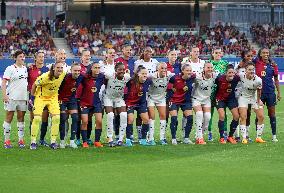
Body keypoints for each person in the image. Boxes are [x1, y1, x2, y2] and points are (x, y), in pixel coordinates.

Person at [30, 62, 66, 149]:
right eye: (58, 68)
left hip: (53, 98)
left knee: (57, 118)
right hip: (41, 97)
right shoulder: (45, 76)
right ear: (53, 68)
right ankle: (33, 142)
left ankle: (53, 142)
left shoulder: (63, 74)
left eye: (61, 67)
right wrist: (32, 98)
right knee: (37, 118)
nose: (60, 69)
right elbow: (34, 85)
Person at [2, 50, 28, 148]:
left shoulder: (25, 68)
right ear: (16, 58)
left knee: (21, 118)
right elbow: (4, 82)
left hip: (23, 97)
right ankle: (7, 140)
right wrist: (4, 95)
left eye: (23, 56)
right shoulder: (10, 68)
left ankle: (21, 140)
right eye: (20, 56)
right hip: (12, 97)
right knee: (9, 117)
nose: (22, 58)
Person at [254, 48, 281, 142]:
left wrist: (279, 93)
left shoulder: (273, 65)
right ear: (260, 54)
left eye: (267, 53)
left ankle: (274, 135)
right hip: (258, 93)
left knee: (272, 114)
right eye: (264, 53)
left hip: (270, 93)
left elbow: (276, 80)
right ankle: (258, 136)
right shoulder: (256, 62)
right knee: (259, 115)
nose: (266, 54)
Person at [133, 46, 159, 141]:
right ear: (143, 52)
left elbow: (157, 74)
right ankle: (140, 133)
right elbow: (135, 76)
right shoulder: (137, 63)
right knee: (140, 114)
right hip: (140, 90)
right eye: (146, 51)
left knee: (147, 113)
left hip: (152, 91)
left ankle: (146, 134)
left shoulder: (155, 62)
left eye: (150, 51)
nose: (148, 52)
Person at [124, 65, 152, 146]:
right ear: (138, 74)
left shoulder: (148, 81)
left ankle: (143, 140)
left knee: (146, 120)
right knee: (130, 120)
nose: (145, 75)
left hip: (141, 103)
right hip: (130, 103)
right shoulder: (131, 81)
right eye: (143, 73)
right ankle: (128, 139)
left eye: (146, 73)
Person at [79, 62, 105, 148]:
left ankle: (97, 141)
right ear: (91, 69)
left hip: (96, 103)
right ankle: (85, 141)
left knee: (99, 121)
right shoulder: (84, 77)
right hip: (85, 102)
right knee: (85, 121)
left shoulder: (102, 77)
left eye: (98, 67)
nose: (97, 69)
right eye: (95, 68)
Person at [104, 62, 130, 147]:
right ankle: (110, 138)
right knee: (110, 115)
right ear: (115, 70)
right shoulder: (109, 76)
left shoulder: (126, 77)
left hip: (119, 98)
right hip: (108, 98)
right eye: (119, 69)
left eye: (123, 69)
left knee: (124, 115)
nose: (122, 71)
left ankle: (120, 140)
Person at [168, 64, 196, 145]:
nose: (189, 72)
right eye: (187, 70)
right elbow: (168, 86)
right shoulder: (174, 78)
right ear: (182, 71)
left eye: (190, 70)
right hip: (174, 100)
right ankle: (173, 138)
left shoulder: (193, 77)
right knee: (174, 118)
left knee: (190, 118)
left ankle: (186, 138)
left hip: (185, 101)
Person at [238, 62, 265, 144]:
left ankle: (258, 137)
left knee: (261, 116)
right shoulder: (240, 76)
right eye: (249, 69)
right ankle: (244, 138)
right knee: (243, 116)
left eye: (253, 69)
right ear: (245, 70)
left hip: (254, 97)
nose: (252, 71)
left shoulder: (258, 80)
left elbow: (259, 91)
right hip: (243, 97)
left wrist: (259, 100)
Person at [27, 50, 49, 146]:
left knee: (44, 119)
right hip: (32, 97)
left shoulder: (47, 70)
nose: (41, 58)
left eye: (43, 56)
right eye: (39, 56)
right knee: (33, 119)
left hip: (44, 97)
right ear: (35, 58)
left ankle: (42, 139)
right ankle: (33, 139)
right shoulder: (30, 69)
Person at [148, 62, 174, 145]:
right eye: (162, 68)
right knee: (152, 117)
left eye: (165, 68)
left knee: (163, 116)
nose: (164, 70)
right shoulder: (151, 76)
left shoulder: (169, 75)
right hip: (151, 98)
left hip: (161, 98)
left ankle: (162, 138)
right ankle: (150, 138)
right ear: (157, 69)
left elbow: (178, 77)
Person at [58, 63, 83, 148]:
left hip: (72, 100)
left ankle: (72, 141)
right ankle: (62, 141)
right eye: (75, 70)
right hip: (61, 100)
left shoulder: (81, 77)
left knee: (75, 118)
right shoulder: (64, 78)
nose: (77, 72)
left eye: (79, 70)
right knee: (63, 118)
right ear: (71, 70)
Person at [215, 64, 240, 144]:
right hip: (220, 98)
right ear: (225, 73)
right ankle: (222, 137)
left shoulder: (236, 78)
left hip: (231, 99)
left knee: (236, 116)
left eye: (233, 72)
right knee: (222, 116)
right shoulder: (219, 79)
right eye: (229, 73)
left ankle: (230, 136)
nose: (231, 74)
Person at [192, 62, 217, 144]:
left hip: (206, 99)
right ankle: (200, 138)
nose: (210, 69)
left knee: (207, 117)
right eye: (208, 68)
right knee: (199, 114)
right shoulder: (197, 77)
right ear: (204, 69)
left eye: (211, 68)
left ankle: (199, 134)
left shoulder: (215, 75)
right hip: (196, 98)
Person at [208, 47, 229, 141]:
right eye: (216, 53)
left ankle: (225, 132)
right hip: (210, 92)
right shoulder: (208, 64)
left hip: (221, 93)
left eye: (219, 53)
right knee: (209, 114)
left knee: (223, 114)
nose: (218, 54)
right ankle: (209, 132)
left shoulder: (225, 64)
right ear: (212, 54)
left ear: (221, 54)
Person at [234, 49, 254, 142]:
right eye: (248, 56)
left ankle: (246, 135)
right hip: (238, 94)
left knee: (248, 114)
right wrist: (238, 67)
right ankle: (237, 135)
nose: (250, 58)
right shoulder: (239, 67)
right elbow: (232, 76)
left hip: (249, 94)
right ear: (243, 56)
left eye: (251, 56)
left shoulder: (252, 67)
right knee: (238, 114)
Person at [75, 49, 92, 146]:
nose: (87, 57)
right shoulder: (78, 67)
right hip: (77, 96)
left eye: (89, 55)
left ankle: (88, 138)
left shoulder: (92, 67)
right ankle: (77, 138)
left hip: (88, 97)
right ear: (81, 57)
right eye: (85, 55)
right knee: (78, 118)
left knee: (88, 119)